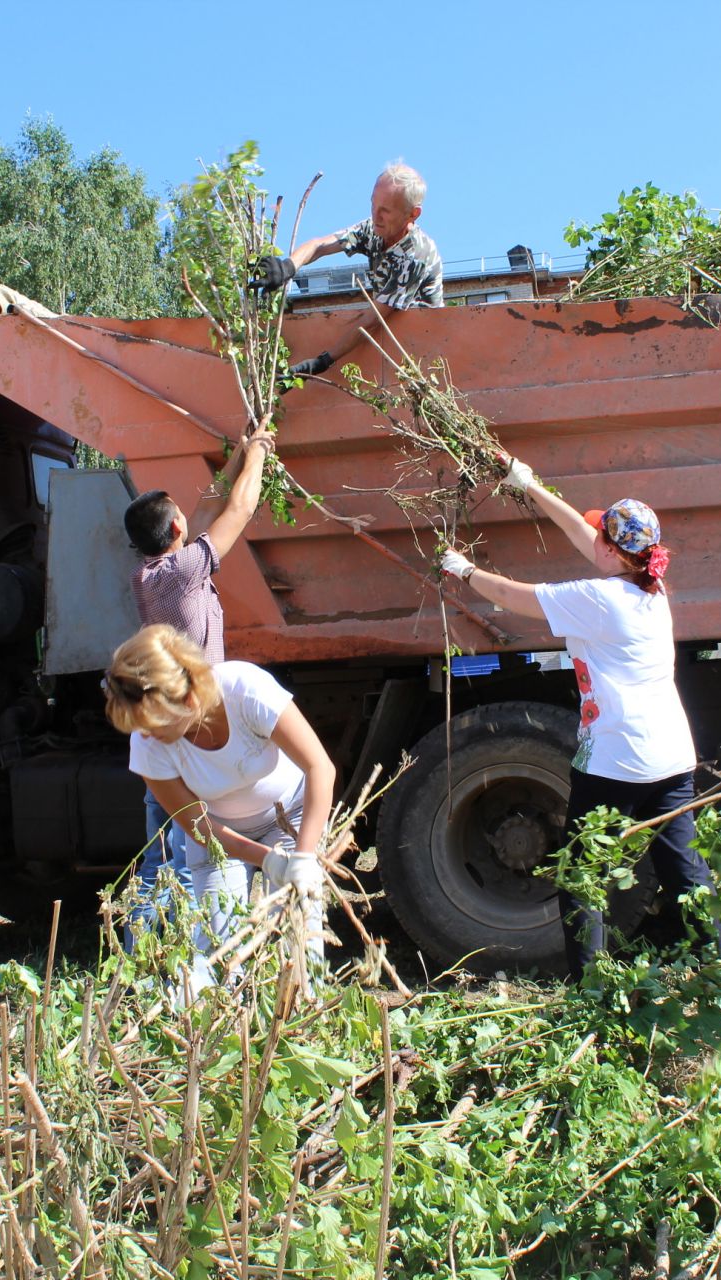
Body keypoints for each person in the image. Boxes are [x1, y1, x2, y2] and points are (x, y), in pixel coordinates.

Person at [440, 456, 709, 976]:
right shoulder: (648, 590)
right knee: (684, 869)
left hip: (616, 757)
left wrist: (464, 571)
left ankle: (593, 984)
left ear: (612, 550)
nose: (592, 544)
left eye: (599, 539)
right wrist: (529, 484)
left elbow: (514, 598)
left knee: (582, 875)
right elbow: (584, 536)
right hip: (673, 755)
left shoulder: (600, 598)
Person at [102, 624, 335, 986]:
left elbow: (320, 766)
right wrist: (267, 860)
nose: (146, 734)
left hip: (289, 818)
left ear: (187, 698)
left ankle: (304, 1015)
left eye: (154, 723)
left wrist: (302, 859)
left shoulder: (246, 690)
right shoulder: (148, 746)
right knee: (218, 952)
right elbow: (199, 826)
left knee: (300, 943)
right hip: (217, 839)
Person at [122, 419, 278, 926]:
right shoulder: (185, 571)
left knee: (160, 861)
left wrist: (238, 453)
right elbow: (239, 509)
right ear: (176, 532)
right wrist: (259, 452)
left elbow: (209, 506)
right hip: (188, 733)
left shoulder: (152, 573)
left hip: (168, 730)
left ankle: (142, 972)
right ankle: (169, 974)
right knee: (182, 864)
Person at [251, 161, 444, 381]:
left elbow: (372, 320)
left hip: (423, 351)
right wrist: (287, 267)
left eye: (385, 211)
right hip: (388, 341)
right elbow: (321, 244)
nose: (375, 216)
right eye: (373, 205)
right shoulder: (374, 229)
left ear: (412, 214)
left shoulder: (415, 255)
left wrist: (320, 362)